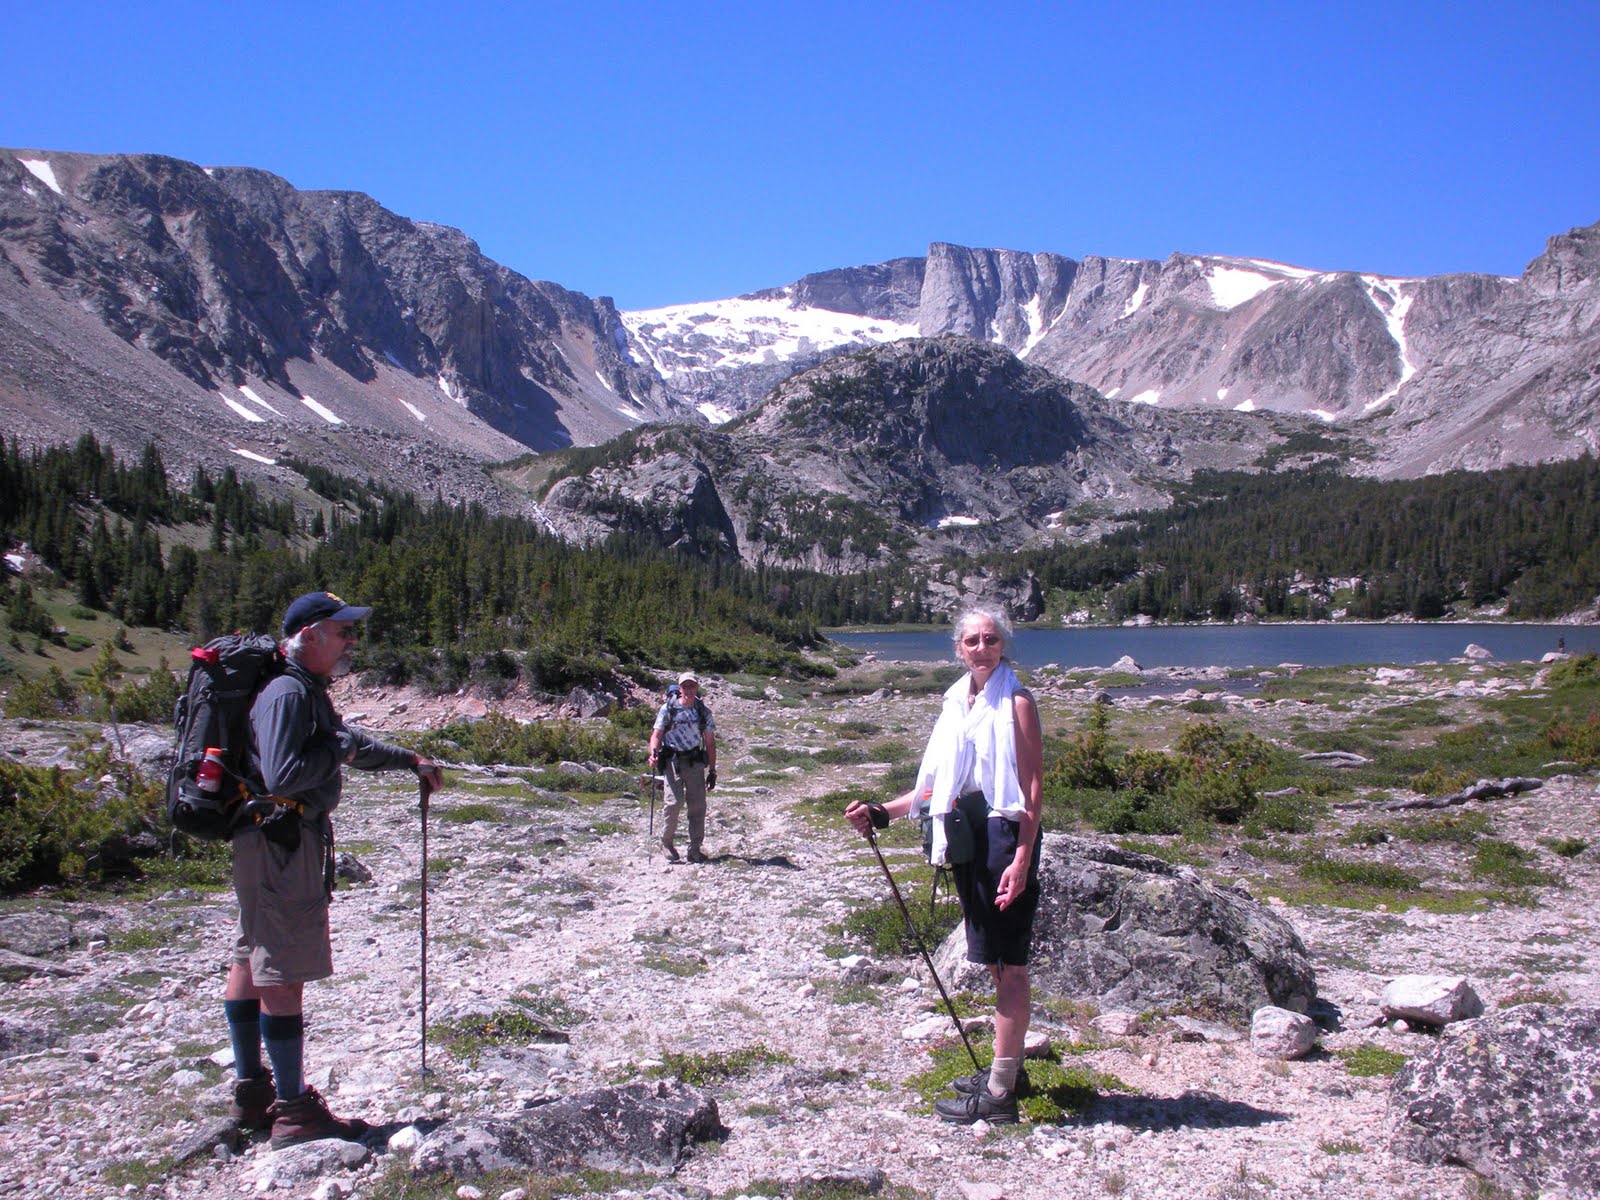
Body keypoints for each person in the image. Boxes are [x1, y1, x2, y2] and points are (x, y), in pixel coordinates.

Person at [223, 591, 443, 1148]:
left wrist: (406, 759)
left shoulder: (301, 690)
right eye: (343, 631)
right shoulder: (288, 693)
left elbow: (345, 743)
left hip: (267, 839)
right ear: (312, 634)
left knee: (252, 954)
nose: (350, 642)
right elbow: (284, 771)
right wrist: (336, 753)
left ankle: (254, 1090)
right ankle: (294, 1111)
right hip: (282, 840)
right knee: (281, 968)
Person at [846, 603, 1043, 1125]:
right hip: (967, 834)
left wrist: (1022, 857)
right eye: (972, 640)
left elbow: (1031, 789)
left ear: (1004, 645)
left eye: (991, 639)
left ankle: (1000, 1094)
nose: (982, 648)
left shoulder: (1017, 701)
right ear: (958, 648)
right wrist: (882, 813)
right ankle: (1008, 1069)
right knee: (998, 959)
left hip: (1003, 832)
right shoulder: (957, 703)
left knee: (1010, 962)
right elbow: (934, 789)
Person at [647, 671, 717, 863]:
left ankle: (694, 849)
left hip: (695, 762)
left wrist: (712, 770)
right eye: (685, 686)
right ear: (679, 688)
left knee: (698, 806)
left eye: (691, 686)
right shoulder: (667, 709)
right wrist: (653, 752)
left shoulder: (703, 712)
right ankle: (666, 843)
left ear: (697, 688)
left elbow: (710, 743)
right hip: (672, 762)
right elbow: (656, 735)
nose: (688, 689)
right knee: (674, 803)